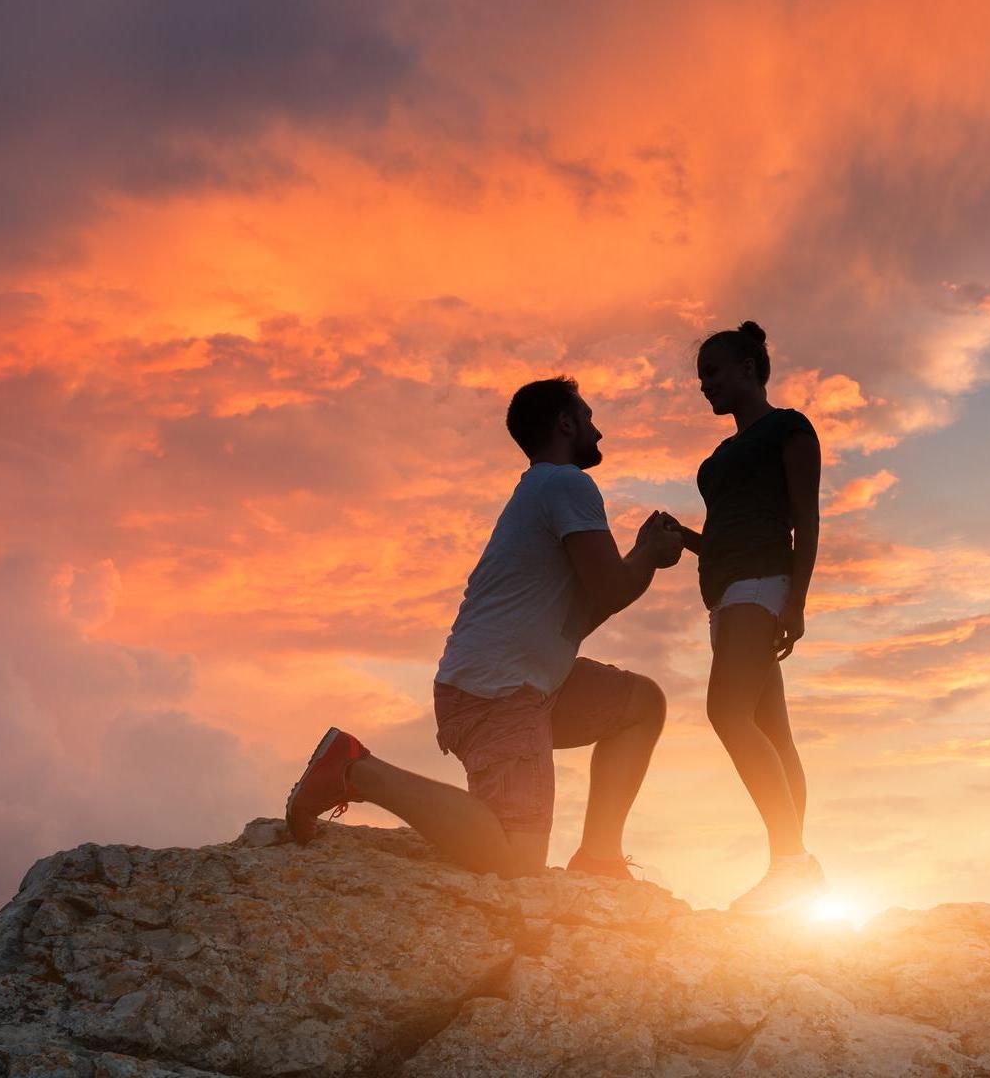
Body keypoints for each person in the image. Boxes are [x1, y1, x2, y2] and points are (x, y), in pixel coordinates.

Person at [284, 376, 683, 879]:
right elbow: (610, 590)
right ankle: (353, 769)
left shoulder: (543, 490)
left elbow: (580, 615)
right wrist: (649, 555)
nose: (598, 432)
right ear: (566, 423)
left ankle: (600, 858)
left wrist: (641, 556)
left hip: (524, 684)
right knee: (516, 864)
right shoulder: (567, 483)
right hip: (498, 692)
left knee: (641, 706)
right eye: (589, 418)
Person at [672, 321, 825, 913]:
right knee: (775, 736)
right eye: (700, 377)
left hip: (763, 588)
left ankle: (792, 864)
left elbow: (805, 521)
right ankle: (794, 869)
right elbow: (722, 539)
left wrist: (797, 600)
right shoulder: (718, 458)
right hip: (727, 594)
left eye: (712, 372)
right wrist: (680, 535)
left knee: (725, 712)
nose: (704, 385)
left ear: (746, 366)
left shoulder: (789, 428)